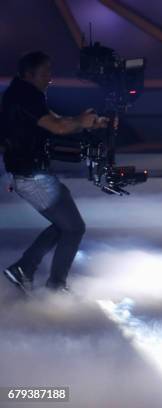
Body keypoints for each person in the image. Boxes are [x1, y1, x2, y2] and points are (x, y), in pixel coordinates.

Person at [2, 51, 108, 295]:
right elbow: (58, 126)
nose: (50, 77)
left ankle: (24, 269)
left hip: (32, 174)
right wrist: (80, 121)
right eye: (45, 72)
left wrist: (86, 122)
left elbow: (55, 120)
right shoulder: (25, 95)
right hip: (32, 176)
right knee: (74, 228)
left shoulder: (24, 93)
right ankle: (55, 286)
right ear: (30, 74)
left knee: (64, 225)